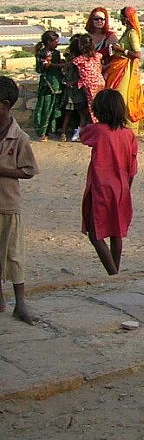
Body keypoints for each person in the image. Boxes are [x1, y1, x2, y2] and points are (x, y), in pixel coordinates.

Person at [80, 89, 138, 275]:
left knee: (94, 234)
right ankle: (116, 270)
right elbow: (133, 167)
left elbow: (83, 135)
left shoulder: (98, 131)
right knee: (116, 232)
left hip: (101, 187)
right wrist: (126, 189)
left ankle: (113, 273)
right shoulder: (128, 134)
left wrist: (84, 117)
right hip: (122, 187)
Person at [0, 76, 41, 324]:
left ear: (5, 106)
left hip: (8, 204)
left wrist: (3, 171)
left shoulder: (20, 138)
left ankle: (20, 304)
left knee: (14, 255)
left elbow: (28, 171)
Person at [105, 7, 144, 134]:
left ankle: (128, 129)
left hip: (125, 69)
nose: (120, 20)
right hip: (119, 66)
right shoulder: (127, 32)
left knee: (124, 97)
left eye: (121, 18)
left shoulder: (132, 33)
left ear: (126, 19)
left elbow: (137, 54)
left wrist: (121, 50)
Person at [71, 33, 106, 139]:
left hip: (90, 85)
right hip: (100, 82)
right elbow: (100, 68)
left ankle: (99, 133)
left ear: (81, 46)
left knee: (93, 109)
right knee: (100, 106)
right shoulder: (97, 56)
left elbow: (68, 66)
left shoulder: (79, 60)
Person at [32, 30, 64, 141]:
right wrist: (46, 64)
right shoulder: (41, 54)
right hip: (47, 85)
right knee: (45, 108)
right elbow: (39, 69)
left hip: (57, 84)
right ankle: (42, 132)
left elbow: (58, 67)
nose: (57, 43)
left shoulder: (56, 53)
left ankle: (52, 130)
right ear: (48, 42)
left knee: (55, 108)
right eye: (55, 42)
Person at [60, 34, 91, 142]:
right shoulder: (80, 61)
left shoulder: (77, 61)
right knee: (79, 113)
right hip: (76, 90)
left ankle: (65, 133)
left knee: (71, 113)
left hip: (74, 89)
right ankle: (73, 133)